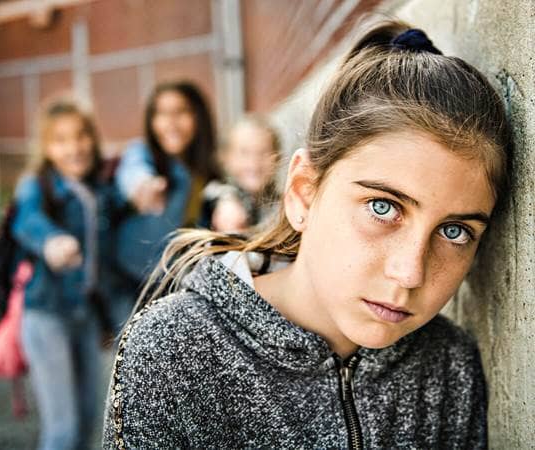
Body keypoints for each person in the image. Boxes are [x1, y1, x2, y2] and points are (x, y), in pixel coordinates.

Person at [103, 21, 511, 449]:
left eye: (454, 230)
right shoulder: (174, 351)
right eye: (383, 207)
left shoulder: (450, 365)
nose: (410, 273)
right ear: (302, 194)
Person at [12, 97, 121, 450]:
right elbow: (26, 219)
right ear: (45, 147)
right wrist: (52, 241)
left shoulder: (100, 189)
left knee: (90, 420)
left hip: (85, 316)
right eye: (60, 140)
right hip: (46, 315)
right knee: (62, 429)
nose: (74, 147)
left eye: (81, 136)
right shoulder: (37, 185)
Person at [111, 81, 218, 329]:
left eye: (180, 112)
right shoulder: (144, 154)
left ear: (198, 117)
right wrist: (143, 187)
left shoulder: (203, 170)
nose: (170, 122)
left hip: (173, 282)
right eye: (161, 113)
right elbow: (133, 171)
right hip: (128, 283)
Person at [200, 114, 281, 232]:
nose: (254, 162)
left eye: (263, 152)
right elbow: (213, 194)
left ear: (278, 158)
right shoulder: (221, 194)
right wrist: (227, 201)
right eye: (244, 153)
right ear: (225, 158)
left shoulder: (281, 203)